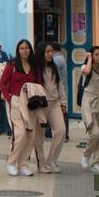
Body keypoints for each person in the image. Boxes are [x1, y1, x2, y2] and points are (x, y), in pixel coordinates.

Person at [0, 39, 42, 177]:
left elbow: (39, 83)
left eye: (27, 48)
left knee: (31, 135)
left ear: (30, 50)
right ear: (18, 50)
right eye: (22, 48)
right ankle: (11, 162)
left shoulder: (34, 65)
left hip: (30, 103)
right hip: (15, 102)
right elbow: (2, 83)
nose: (24, 50)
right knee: (20, 134)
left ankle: (23, 165)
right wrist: (9, 98)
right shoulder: (12, 64)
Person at [36, 42, 67, 172]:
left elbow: (60, 86)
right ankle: (41, 163)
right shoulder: (36, 68)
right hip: (40, 106)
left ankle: (51, 160)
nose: (50, 54)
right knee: (39, 136)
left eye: (51, 52)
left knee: (61, 130)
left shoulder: (54, 66)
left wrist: (63, 102)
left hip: (55, 104)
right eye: (47, 52)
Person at [78, 46, 99, 172]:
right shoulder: (85, 67)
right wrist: (88, 58)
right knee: (95, 133)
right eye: (96, 54)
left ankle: (97, 162)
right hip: (88, 103)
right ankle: (85, 155)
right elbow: (87, 72)